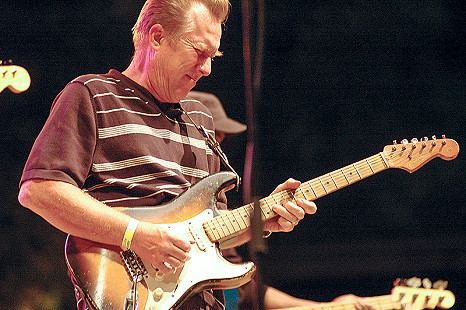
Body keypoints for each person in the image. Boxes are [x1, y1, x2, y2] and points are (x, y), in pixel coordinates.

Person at [17, 1, 317, 309]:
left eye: (213, 57)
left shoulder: (200, 119)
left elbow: (209, 234)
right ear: (157, 37)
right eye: (200, 51)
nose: (207, 68)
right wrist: (137, 236)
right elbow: (40, 191)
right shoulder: (90, 95)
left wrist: (261, 221)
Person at [187, 91, 375, 310]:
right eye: (212, 133)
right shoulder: (168, 204)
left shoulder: (214, 209)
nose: (219, 142)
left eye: (221, 136)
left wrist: (325, 307)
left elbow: (248, 293)